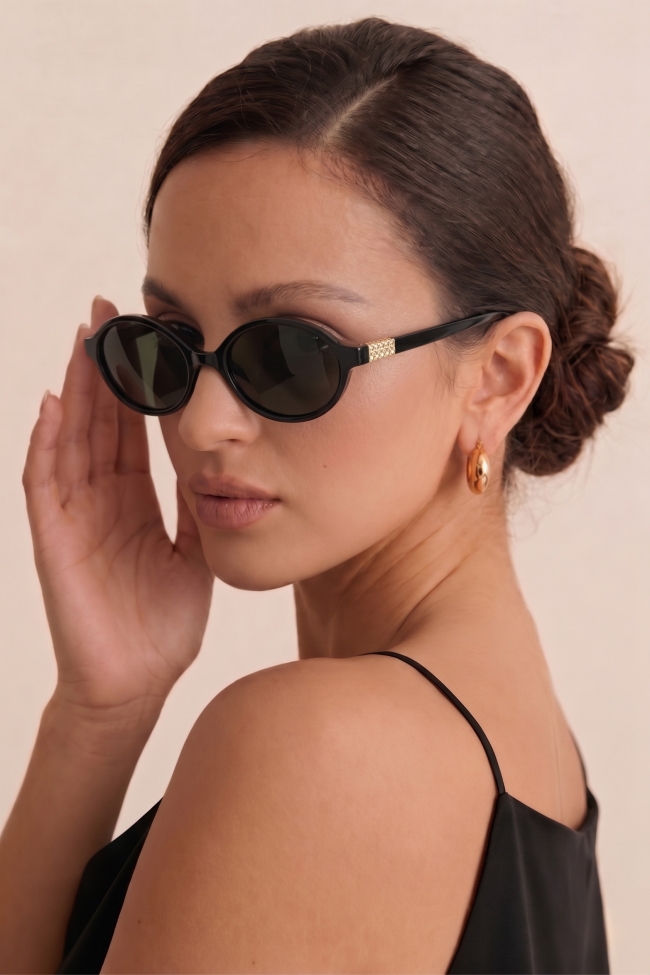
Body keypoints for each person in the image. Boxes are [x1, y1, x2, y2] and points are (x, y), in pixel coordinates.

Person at [0, 17, 633, 974]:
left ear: (498, 376)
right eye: (171, 342)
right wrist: (102, 706)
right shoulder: (527, 746)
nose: (202, 422)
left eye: (292, 352)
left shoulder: (320, 751)